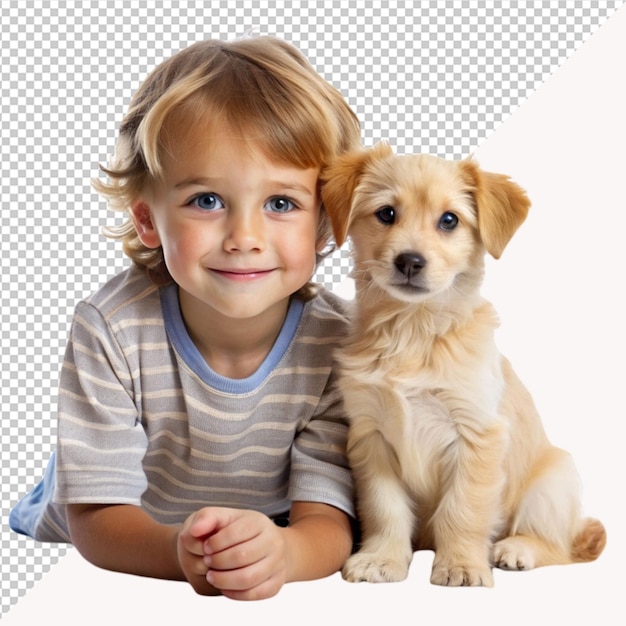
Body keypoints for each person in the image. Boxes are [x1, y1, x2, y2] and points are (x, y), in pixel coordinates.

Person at [10, 35, 362, 600]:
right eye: (206, 200)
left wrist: (286, 554)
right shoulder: (112, 328)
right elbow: (97, 520)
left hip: (259, 520)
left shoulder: (341, 344)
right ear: (148, 221)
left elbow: (329, 521)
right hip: (124, 519)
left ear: (326, 222)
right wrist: (178, 554)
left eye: (281, 203)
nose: (245, 239)